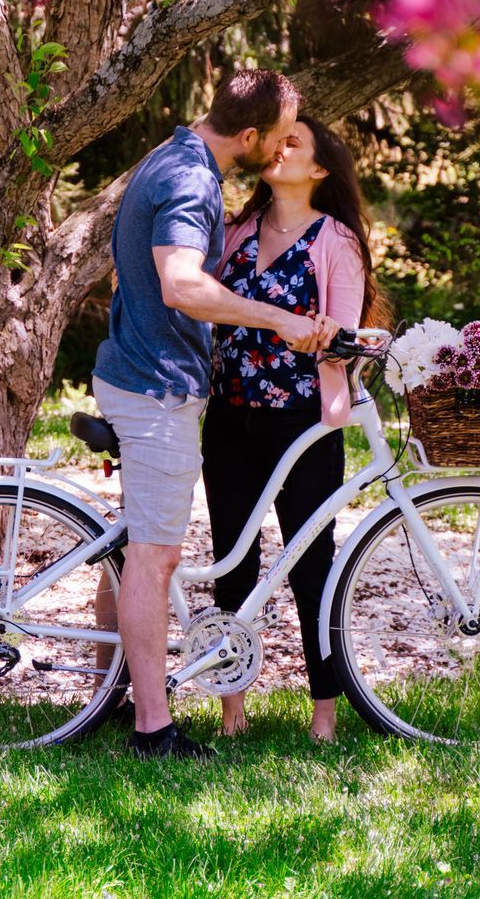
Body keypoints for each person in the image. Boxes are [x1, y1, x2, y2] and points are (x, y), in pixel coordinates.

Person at [91, 69, 331, 760]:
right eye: (280, 137)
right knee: (155, 558)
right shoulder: (192, 181)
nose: (285, 148)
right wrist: (278, 320)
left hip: (136, 375)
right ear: (249, 136)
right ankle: (152, 730)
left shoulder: (168, 157)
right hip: (155, 389)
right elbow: (181, 284)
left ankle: (108, 694)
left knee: (135, 547)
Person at [202, 112, 385, 742]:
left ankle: (325, 715)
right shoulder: (234, 232)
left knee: (313, 567)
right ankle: (231, 712)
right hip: (228, 418)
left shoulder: (337, 240)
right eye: (278, 141)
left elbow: (344, 332)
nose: (280, 151)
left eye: (295, 144)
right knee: (233, 562)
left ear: (320, 169)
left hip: (305, 424)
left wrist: (330, 339)